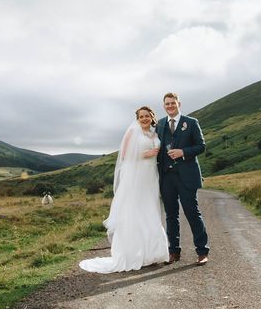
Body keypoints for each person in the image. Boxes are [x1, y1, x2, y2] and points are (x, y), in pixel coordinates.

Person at [79, 106, 169, 273]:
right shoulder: (132, 133)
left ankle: (152, 254)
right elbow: (126, 155)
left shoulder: (156, 134)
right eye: (141, 116)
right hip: (136, 177)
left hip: (151, 177)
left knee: (150, 210)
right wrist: (146, 154)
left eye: (147, 116)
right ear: (137, 119)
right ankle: (132, 254)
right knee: (134, 212)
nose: (144, 119)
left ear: (152, 117)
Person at [157, 92, 209, 265]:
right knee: (171, 216)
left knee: (192, 213)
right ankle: (173, 252)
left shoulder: (192, 123)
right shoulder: (161, 124)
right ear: (164, 106)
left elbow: (201, 146)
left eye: (173, 103)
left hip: (187, 177)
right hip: (167, 177)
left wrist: (183, 152)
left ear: (179, 104)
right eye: (167, 104)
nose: (170, 106)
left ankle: (202, 252)